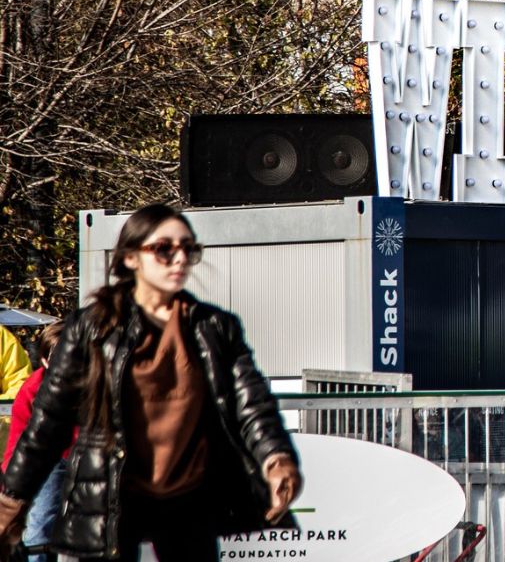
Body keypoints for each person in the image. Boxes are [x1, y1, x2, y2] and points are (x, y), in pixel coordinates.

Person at [0, 204, 302, 561]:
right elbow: (48, 421)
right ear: (131, 258)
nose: (179, 259)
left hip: (186, 495)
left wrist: (276, 457)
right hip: (109, 493)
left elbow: (251, 404)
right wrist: (12, 498)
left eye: (189, 248)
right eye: (164, 249)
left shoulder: (215, 328)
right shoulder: (90, 329)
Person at [4, 322, 68, 562]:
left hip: (86, 456)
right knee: (40, 523)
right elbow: (19, 439)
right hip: (46, 459)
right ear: (44, 360)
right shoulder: (33, 389)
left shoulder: (95, 383)